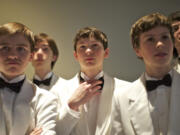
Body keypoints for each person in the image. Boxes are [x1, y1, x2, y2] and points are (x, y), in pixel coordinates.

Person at [51, 26, 130, 135]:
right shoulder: (58, 90)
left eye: (95, 46)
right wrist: (72, 106)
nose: (88, 51)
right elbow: (53, 132)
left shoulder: (126, 89)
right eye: (82, 47)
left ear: (106, 53)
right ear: (76, 55)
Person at [111, 12, 180, 135]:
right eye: (150, 39)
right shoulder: (121, 98)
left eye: (165, 37)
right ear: (137, 50)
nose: (160, 44)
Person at [0, 22, 57, 135]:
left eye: (21, 49)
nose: (12, 55)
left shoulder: (46, 99)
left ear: (31, 56)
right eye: (5, 48)